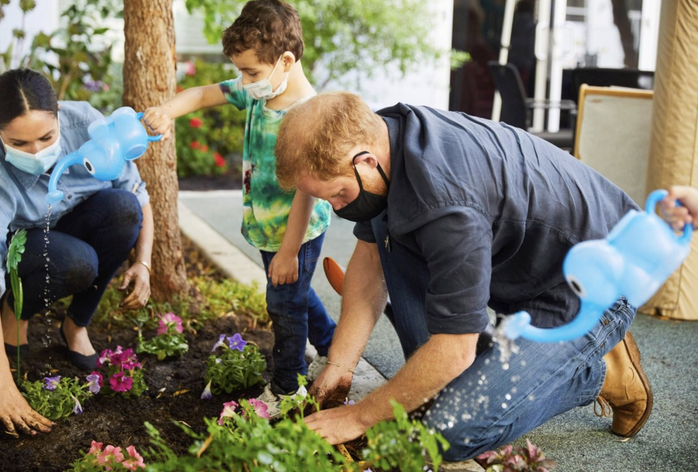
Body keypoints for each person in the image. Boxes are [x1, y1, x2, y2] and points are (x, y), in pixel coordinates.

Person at [273, 91, 653, 460]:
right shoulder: (385, 137)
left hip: (591, 289)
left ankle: (595, 372)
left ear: (367, 160)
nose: (337, 208)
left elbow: (455, 349)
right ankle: (512, 364)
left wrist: (359, 415)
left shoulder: (447, 202)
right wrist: (339, 366)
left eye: (338, 194)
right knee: (422, 391)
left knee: (446, 432)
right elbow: (371, 258)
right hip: (528, 276)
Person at [142, 0, 335, 409]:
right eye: (241, 71)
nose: (244, 81)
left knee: (282, 304)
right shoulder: (257, 92)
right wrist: (166, 111)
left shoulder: (306, 117)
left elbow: (306, 191)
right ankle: (333, 344)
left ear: (286, 60)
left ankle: (288, 388)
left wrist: (287, 252)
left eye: (251, 72)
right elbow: (200, 93)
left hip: (294, 231)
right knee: (292, 292)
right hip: (267, 227)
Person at [0, 69, 154, 436]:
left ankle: (76, 324)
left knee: (123, 209)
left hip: (75, 224)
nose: (37, 151)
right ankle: (16, 310)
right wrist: (1, 383)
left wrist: (144, 263)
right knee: (77, 262)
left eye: (46, 136)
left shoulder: (88, 124)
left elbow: (138, 195)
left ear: (58, 111)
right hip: (25, 247)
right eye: (20, 143)